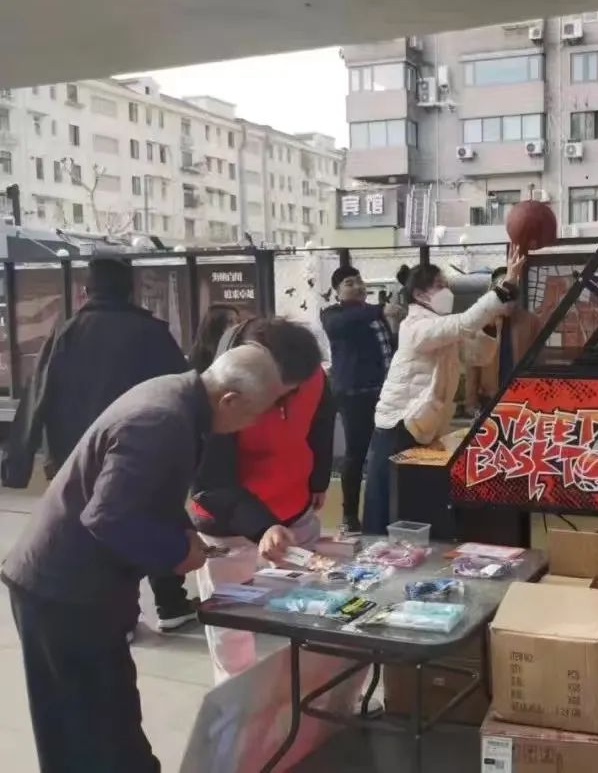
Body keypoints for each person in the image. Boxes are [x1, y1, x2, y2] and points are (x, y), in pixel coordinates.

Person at [2, 344, 292, 773]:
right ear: (230, 400)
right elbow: (108, 516)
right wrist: (176, 553)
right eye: (254, 415)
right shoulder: (162, 420)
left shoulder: (179, 401)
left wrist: (183, 531)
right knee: (90, 732)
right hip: (64, 589)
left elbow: (148, 492)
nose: (251, 426)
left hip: (79, 584)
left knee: (100, 724)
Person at [1, 258, 199, 632]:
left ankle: (122, 618)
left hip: (76, 455)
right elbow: (184, 392)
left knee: (95, 534)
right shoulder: (152, 333)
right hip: (142, 452)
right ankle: (170, 602)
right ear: (130, 290)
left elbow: (36, 395)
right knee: (154, 517)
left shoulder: (66, 333)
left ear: (86, 291)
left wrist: (18, 464)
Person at [190, 317, 332, 683]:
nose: (287, 399)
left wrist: (318, 478)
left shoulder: (310, 374)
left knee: (316, 606)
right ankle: (236, 695)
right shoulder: (218, 393)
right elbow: (211, 482)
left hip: (294, 506)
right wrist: (262, 525)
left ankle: (314, 691)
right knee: (232, 623)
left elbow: (322, 421)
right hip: (228, 522)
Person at [364, 250, 525, 534]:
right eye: (440, 286)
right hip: (398, 425)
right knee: (388, 502)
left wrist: (491, 321)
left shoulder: (441, 329)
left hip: (422, 424)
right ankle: (375, 550)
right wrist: (503, 289)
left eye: (446, 285)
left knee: (411, 500)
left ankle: (407, 548)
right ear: (419, 294)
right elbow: (463, 323)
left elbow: (479, 355)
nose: (447, 292)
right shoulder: (415, 326)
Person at [320, 266, 394, 532]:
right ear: (337, 292)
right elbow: (346, 323)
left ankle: (383, 514)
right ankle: (349, 516)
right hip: (354, 395)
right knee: (356, 454)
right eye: (349, 283)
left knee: (384, 454)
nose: (358, 286)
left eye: (359, 281)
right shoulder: (333, 315)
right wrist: (381, 310)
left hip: (383, 393)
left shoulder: (373, 313)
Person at [464, 265, 543, 416]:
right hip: (489, 399)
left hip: (522, 398)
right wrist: (471, 403)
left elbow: (538, 362)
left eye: (512, 293)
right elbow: (473, 366)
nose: (508, 300)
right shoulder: (480, 323)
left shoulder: (531, 322)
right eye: (503, 293)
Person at [189, 303, 240, 373]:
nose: (237, 326)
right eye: (230, 322)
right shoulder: (201, 356)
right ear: (216, 326)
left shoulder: (237, 349)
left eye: (237, 321)